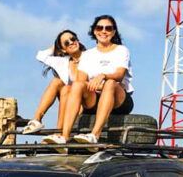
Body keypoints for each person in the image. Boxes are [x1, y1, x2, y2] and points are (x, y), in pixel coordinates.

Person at [43, 15, 133, 148]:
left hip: (119, 99)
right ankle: (64, 136)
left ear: (113, 32)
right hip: (95, 98)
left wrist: (103, 76)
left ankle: (94, 135)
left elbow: (119, 75)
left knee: (110, 83)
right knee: (77, 85)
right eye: (100, 28)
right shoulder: (87, 55)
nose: (104, 31)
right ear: (95, 31)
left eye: (108, 28)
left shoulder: (121, 50)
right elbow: (80, 82)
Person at [22, 30, 86, 134]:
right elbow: (41, 56)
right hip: (69, 99)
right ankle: (37, 120)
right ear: (63, 49)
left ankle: (58, 132)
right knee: (57, 82)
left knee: (67, 88)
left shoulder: (90, 56)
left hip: (87, 99)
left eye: (73, 39)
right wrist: (57, 46)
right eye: (66, 42)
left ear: (78, 40)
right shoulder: (63, 61)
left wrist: (65, 44)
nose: (71, 42)